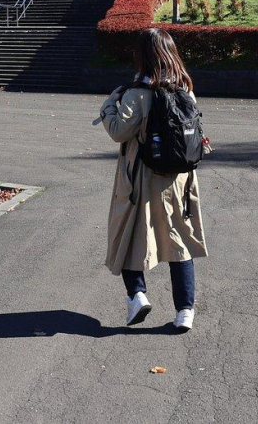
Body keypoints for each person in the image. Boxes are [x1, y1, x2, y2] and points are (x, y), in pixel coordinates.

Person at [98, 27, 208, 332]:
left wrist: (109, 106)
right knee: (179, 242)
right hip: (180, 181)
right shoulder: (185, 90)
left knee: (128, 235)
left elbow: (119, 131)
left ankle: (137, 295)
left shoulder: (136, 94)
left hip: (141, 180)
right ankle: (185, 310)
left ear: (143, 57)